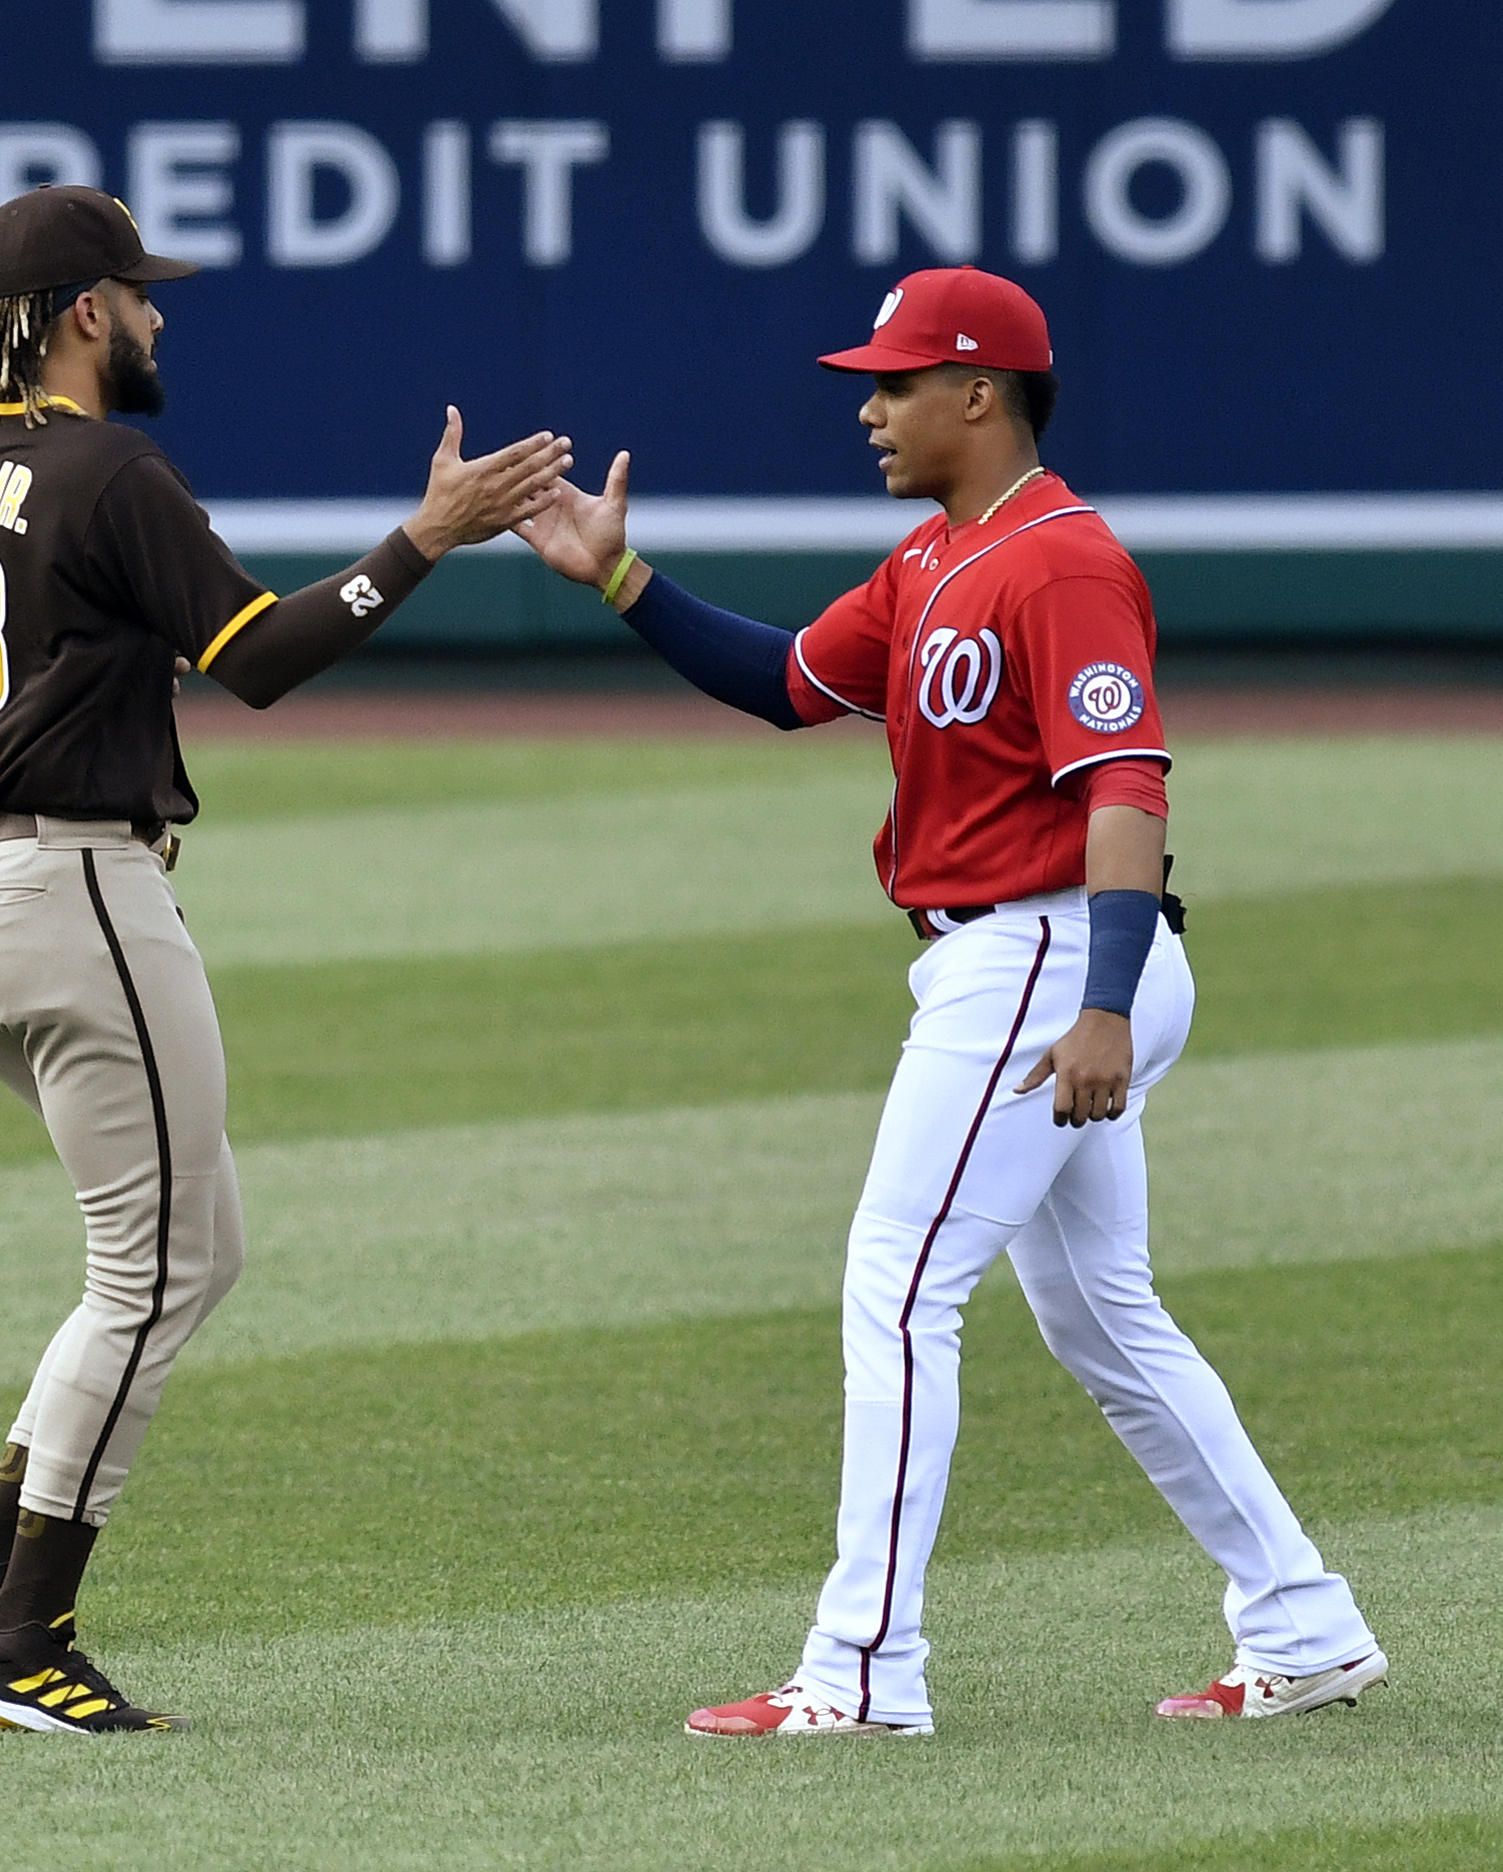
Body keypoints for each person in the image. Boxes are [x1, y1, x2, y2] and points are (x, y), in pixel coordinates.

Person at [513, 265, 1383, 1735]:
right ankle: (1301, 1626)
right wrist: (620, 580)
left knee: (899, 1288)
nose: (869, 409)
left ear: (978, 393)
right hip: (1025, 954)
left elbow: (1124, 785)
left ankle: (861, 1675)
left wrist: (1101, 1005)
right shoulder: (931, 560)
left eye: (896, 382)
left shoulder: (1058, 561)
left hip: (1051, 954)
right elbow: (789, 681)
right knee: (1102, 1313)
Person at [0, 185, 570, 1733]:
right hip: (82, 897)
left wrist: (53, 669)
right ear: (84, 315)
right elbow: (256, 661)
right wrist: (424, 541)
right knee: (155, 1266)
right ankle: (26, 1643)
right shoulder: (111, 469)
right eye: (141, 293)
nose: (161, 315)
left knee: (186, 1252)